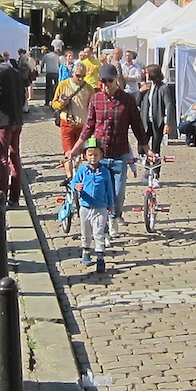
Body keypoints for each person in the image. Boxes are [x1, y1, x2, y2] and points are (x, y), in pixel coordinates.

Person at [70, 64, 148, 238]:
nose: (106, 84)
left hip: (120, 154)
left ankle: (114, 217)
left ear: (117, 80)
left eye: (109, 81)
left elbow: (137, 127)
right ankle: (103, 229)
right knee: (101, 193)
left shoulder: (127, 100)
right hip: (100, 155)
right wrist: (76, 149)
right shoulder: (96, 99)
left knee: (118, 194)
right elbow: (89, 126)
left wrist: (147, 148)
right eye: (103, 81)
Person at [69, 136, 115, 273]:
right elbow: (73, 183)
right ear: (85, 156)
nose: (93, 157)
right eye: (90, 154)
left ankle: (100, 257)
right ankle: (86, 250)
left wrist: (110, 205)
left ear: (101, 155)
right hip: (85, 207)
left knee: (99, 232)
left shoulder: (105, 173)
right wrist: (76, 186)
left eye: (96, 154)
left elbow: (109, 190)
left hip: (100, 207)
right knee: (86, 232)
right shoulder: (82, 171)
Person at [0, 51, 24, 205]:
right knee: (15, 157)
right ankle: (14, 197)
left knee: (2, 159)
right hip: (17, 119)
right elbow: (22, 95)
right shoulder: (13, 71)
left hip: (3, 120)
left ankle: (1, 195)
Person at [53, 61, 93, 178]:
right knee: (68, 152)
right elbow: (54, 103)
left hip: (82, 125)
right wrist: (61, 104)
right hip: (67, 123)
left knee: (79, 154)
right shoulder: (63, 85)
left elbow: (92, 107)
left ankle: (76, 174)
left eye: (83, 76)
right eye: (78, 75)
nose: (80, 79)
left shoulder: (89, 88)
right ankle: (70, 177)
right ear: (72, 73)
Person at [139, 63, 173, 157]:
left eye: (147, 73)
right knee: (141, 147)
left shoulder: (163, 88)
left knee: (155, 147)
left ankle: (155, 170)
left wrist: (167, 123)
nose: (145, 75)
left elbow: (169, 105)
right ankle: (146, 166)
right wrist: (140, 92)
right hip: (146, 121)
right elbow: (137, 102)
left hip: (157, 121)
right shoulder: (148, 87)